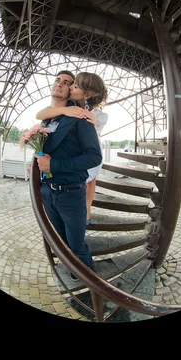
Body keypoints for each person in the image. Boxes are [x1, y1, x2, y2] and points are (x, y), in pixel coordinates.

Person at [35, 70, 102, 281]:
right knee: (60, 238)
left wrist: (53, 164)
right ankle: (72, 270)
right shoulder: (50, 118)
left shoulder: (80, 117)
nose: (63, 85)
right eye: (58, 80)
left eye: (69, 83)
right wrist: (36, 164)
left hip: (70, 194)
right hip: (48, 192)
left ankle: (89, 283)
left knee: (77, 243)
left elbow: (94, 157)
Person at [36, 71, 108, 226]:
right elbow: (40, 114)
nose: (71, 88)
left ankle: (86, 211)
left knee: (89, 180)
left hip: (87, 150)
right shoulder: (69, 105)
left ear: (87, 94)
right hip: (74, 152)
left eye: (75, 86)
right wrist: (64, 110)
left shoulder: (92, 114)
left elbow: (91, 141)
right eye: (73, 85)